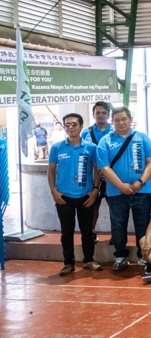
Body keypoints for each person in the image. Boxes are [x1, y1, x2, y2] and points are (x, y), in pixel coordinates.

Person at [97, 106, 151, 271]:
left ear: (131, 119)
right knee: (118, 225)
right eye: (116, 120)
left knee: (142, 224)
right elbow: (104, 167)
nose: (121, 123)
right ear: (112, 122)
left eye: (124, 119)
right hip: (116, 192)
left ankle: (143, 256)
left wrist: (141, 182)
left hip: (142, 191)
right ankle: (120, 256)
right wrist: (121, 186)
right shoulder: (105, 141)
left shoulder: (142, 138)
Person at [47, 113, 101, 276]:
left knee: (87, 231)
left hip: (86, 197)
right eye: (67, 125)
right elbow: (50, 171)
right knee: (66, 232)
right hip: (64, 198)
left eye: (74, 124)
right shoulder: (57, 148)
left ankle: (89, 260)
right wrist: (54, 191)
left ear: (81, 127)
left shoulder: (91, 148)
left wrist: (95, 190)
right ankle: (68, 263)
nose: (70, 127)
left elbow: (97, 170)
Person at [82, 101, 113, 242]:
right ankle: (91, 233)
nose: (100, 115)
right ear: (93, 114)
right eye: (98, 113)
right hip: (93, 177)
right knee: (93, 206)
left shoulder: (115, 131)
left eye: (104, 113)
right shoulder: (85, 132)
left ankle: (117, 235)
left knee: (115, 207)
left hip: (113, 177)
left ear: (108, 114)